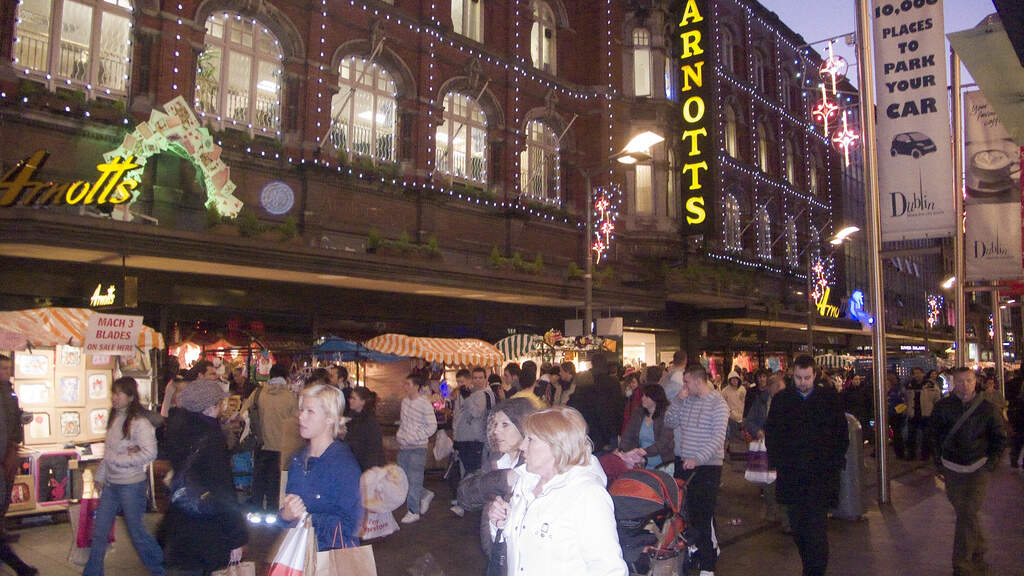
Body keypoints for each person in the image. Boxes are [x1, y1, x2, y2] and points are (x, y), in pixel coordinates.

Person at [485, 406, 628, 576]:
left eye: (530, 439)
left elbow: (609, 570)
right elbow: (521, 546)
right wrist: (501, 523)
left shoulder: (587, 495)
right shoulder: (526, 482)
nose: (522, 445)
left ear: (556, 445)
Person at [765, 355, 848, 576]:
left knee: (816, 529)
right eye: (799, 378)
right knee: (799, 528)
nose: (803, 382)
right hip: (792, 477)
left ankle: (814, 571)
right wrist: (779, 461)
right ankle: (810, 567)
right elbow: (772, 434)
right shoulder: (783, 400)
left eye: (807, 378)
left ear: (814, 375)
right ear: (792, 374)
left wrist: (834, 463)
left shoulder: (828, 399)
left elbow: (841, 435)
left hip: (820, 477)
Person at [158, 379, 246, 575]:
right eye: (219, 403)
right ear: (210, 407)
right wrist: (236, 537)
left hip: (179, 523)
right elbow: (223, 490)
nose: (222, 408)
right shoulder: (211, 439)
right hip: (206, 526)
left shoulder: (177, 431)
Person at [929, 367, 1006, 576]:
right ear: (954, 383)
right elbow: (933, 436)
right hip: (952, 468)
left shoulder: (988, 409)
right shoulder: (943, 407)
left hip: (978, 467)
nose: (965, 386)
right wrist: (939, 463)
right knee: (966, 514)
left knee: (967, 511)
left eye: (969, 381)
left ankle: (962, 564)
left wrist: (991, 464)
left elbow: (999, 437)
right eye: (960, 381)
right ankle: (978, 550)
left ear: (976, 382)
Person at [85, 377, 165, 576]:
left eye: (119, 393)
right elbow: (109, 452)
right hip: (112, 484)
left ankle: (160, 568)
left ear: (130, 397)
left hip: (131, 484)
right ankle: (93, 572)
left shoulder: (139, 422)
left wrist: (121, 460)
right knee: (99, 532)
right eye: (113, 393)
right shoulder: (115, 418)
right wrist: (102, 475)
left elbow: (150, 453)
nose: (114, 397)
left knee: (137, 532)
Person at [664, 363, 729, 576]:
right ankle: (696, 552)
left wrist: (698, 458)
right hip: (686, 464)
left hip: (707, 467)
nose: (684, 385)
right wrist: (678, 401)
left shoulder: (718, 404)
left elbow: (718, 438)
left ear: (698, 381)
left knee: (703, 515)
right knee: (686, 513)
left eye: (687, 381)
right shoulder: (687, 400)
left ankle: (708, 565)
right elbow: (669, 421)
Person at [280, 385, 363, 551]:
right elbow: (284, 515)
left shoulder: (344, 465)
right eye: (301, 410)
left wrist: (310, 519)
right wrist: (285, 515)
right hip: (298, 555)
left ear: (330, 418)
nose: (301, 417)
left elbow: (353, 525)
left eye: (310, 411)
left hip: (330, 560)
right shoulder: (298, 460)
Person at [457, 398, 537, 554]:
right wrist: (504, 479)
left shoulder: (534, 466)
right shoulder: (497, 458)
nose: (496, 431)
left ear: (524, 426)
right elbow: (465, 495)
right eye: (495, 424)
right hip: (495, 552)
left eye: (505, 425)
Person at [0, 356, 37, 576]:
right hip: (4, 454)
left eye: (8, 367)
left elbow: (11, 421)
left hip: (8, 452)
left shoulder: (9, 391)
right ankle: (19, 567)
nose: (7, 371)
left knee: (4, 499)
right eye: (3, 368)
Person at [244, 364, 300, 511]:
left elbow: (243, 414)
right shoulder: (290, 398)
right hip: (282, 448)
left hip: (260, 444)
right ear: (286, 378)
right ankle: (272, 513)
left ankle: (256, 511)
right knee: (275, 483)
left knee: (258, 481)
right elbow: (297, 423)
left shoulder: (258, 393)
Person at [449, 367, 494, 516]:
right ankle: (465, 501)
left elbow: (476, 413)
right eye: (475, 378)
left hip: (476, 440)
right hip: (465, 439)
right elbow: (459, 415)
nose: (477, 381)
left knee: (471, 473)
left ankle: (466, 503)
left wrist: (467, 398)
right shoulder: (470, 393)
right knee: (466, 472)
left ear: (486, 379)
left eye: (480, 377)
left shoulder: (485, 394)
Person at [396, 374, 438, 524]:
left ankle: (413, 510)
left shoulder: (424, 404)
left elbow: (432, 425)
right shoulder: (405, 402)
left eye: (408, 384)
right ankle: (424, 494)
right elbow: (403, 422)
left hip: (418, 447)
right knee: (404, 479)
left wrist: (416, 436)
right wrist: (400, 435)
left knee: (414, 478)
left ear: (416, 386)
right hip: (404, 446)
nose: (405, 386)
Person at [618, 384, 674, 470]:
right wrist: (622, 449)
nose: (642, 398)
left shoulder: (666, 416)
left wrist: (646, 451)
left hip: (661, 460)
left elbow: (664, 441)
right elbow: (628, 434)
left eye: (647, 397)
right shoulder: (638, 413)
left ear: (656, 399)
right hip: (640, 459)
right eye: (643, 395)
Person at [343, 387, 385, 471]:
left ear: (363, 402)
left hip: (366, 464)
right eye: (350, 398)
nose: (350, 400)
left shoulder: (370, 421)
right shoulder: (350, 418)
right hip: (353, 462)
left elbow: (373, 449)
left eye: (354, 398)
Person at [905, 367, 939, 460]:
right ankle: (911, 454)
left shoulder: (931, 384)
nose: (917, 375)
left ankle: (925, 455)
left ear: (923, 373)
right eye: (915, 373)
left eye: (919, 373)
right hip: (913, 413)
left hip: (926, 413)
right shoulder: (909, 385)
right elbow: (906, 399)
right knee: (911, 435)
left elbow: (937, 398)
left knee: (926, 436)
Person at [721, 370, 746, 456]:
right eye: (733, 379)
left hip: (741, 416)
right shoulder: (725, 391)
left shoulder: (742, 389)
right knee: (731, 436)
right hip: (731, 417)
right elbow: (722, 402)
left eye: (736, 379)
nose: (735, 381)